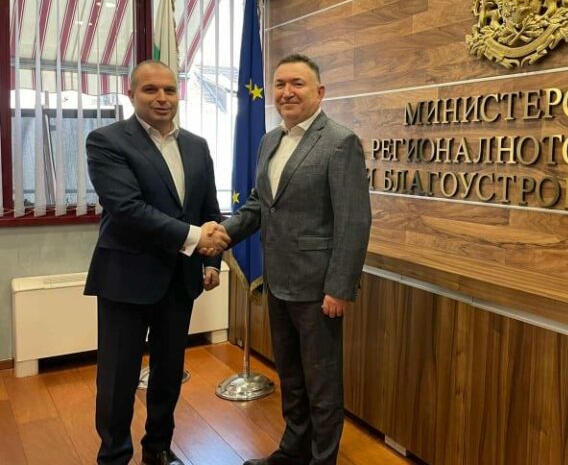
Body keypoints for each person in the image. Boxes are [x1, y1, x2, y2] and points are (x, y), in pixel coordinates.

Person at [216, 54, 371, 465]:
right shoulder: (270, 141)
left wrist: (339, 288)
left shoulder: (340, 142)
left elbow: (354, 221)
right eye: (280, 84)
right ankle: (293, 451)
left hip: (319, 289)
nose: (287, 92)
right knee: (291, 375)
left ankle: (323, 459)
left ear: (319, 92)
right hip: (278, 281)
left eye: (297, 84)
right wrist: (223, 233)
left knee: (322, 384)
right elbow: (259, 204)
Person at [85, 60, 231, 465]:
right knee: (118, 378)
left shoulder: (197, 145)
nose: (162, 98)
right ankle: (114, 456)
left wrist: (212, 261)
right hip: (126, 278)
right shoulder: (106, 141)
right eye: (150, 90)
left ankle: (158, 449)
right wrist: (195, 238)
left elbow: (208, 210)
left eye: (169, 89)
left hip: (179, 280)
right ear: (131, 93)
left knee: (168, 373)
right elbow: (128, 209)